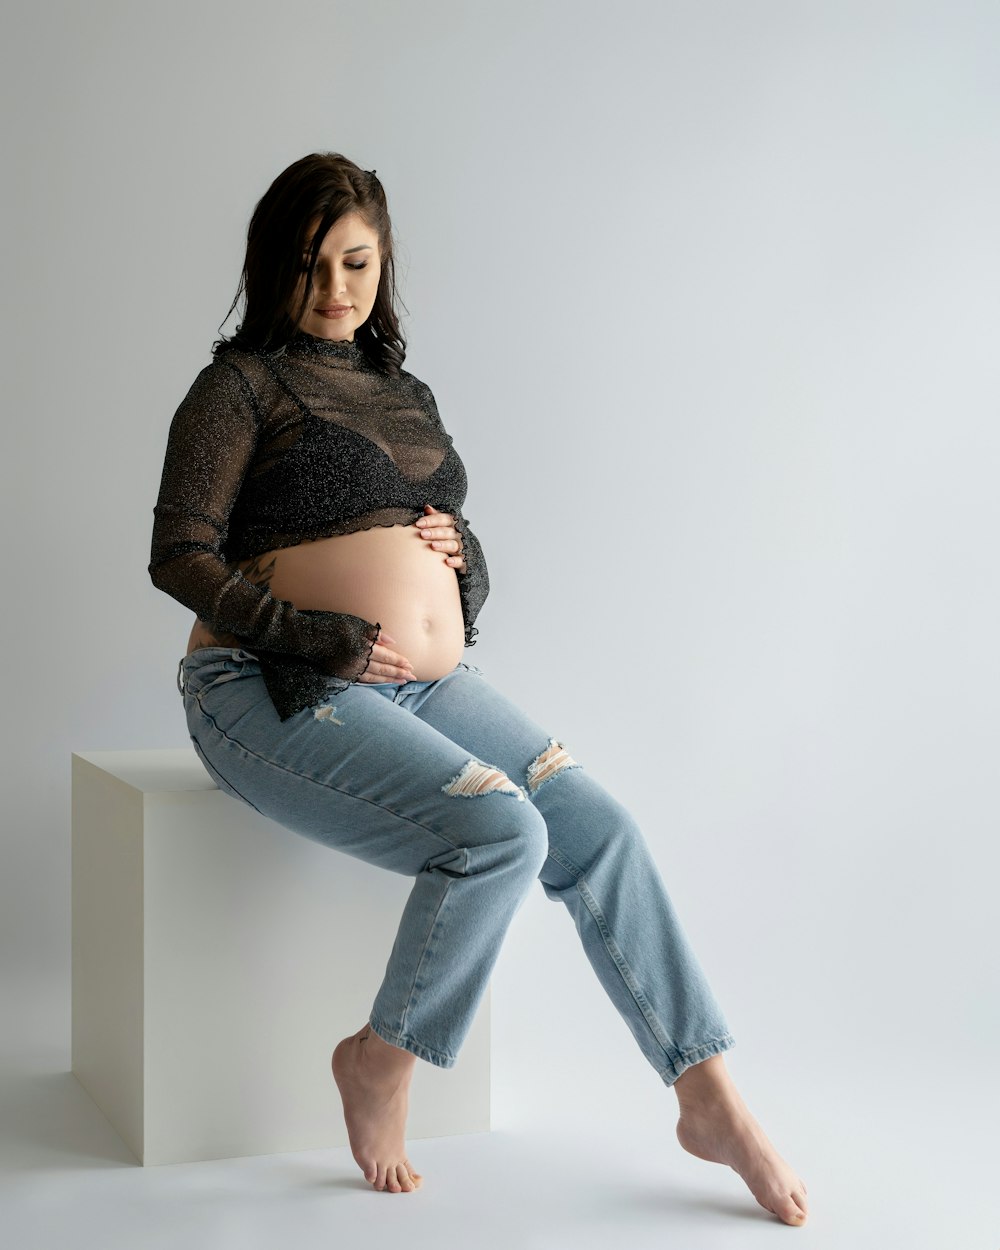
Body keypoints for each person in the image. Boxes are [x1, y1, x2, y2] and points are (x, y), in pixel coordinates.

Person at [149, 152, 809, 1223]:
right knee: (503, 829)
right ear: (272, 269)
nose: (335, 289)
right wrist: (318, 635)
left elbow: (444, 561)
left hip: (418, 686)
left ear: (384, 261)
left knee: (597, 824)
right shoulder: (237, 388)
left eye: (357, 262)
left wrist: (460, 555)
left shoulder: (404, 391)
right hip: (260, 682)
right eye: (311, 266)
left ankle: (708, 1090)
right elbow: (180, 551)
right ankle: (381, 1057)